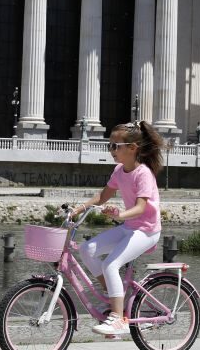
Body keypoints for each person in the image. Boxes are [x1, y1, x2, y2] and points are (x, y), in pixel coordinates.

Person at [70, 120, 164, 336]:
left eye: (115, 146)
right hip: (130, 227)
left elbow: (141, 207)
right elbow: (102, 197)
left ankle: (118, 319)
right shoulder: (119, 171)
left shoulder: (144, 174)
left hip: (147, 230)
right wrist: (78, 209)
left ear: (132, 148)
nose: (111, 150)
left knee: (111, 264)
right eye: (110, 145)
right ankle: (114, 294)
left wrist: (119, 214)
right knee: (87, 249)